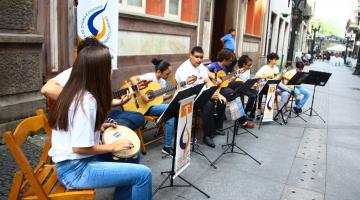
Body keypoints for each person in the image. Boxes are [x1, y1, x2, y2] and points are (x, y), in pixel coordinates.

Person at [48, 45, 152, 200]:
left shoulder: (76, 90)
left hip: (72, 163)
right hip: (75, 170)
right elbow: (80, 147)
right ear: (99, 71)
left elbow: (75, 126)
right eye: (109, 66)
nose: (111, 71)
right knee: (144, 175)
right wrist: (111, 146)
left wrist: (99, 126)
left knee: (131, 156)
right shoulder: (87, 101)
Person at [41, 37, 145, 131]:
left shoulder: (97, 75)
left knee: (138, 117)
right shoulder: (74, 72)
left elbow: (98, 101)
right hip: (82, 123)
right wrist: (84, 102)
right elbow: (47, 89)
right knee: (124, 133)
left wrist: (119, 102)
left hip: (98, 117)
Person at [175, 46, 227, 148]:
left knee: (221, 101)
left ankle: (215, 128)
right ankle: (207, 135)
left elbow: (207, 81)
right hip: (188, 96)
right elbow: (190, 90)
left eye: (201, 57)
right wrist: (209, 94)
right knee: (208, 105)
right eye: (197, 57)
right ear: (191, 55)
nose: (199, 60)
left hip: (201, 93)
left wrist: (217, 93)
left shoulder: (201, 66)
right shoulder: (183, 69)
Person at [129, 59, 175, 156]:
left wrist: (172, 95)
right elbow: (133, 78)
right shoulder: (150, 77)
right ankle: (167, 145)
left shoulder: (162, 82)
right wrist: (142, 95)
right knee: (170, 109)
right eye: (167, 74)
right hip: (143, 107)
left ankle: (167, 146)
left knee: (171, 110)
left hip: (153, 106)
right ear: (159, 71)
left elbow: (161, 98)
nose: (168, 76)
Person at [207, 50, 255, 126]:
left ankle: (241, 114)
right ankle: (242, 121)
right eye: (229, 61)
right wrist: (214, 79)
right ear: (224, 59)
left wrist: (234, 77)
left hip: (223, 86)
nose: (230, 62)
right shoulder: (212, 66)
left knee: (240, 85)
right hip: (215, 89)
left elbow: (226, 82)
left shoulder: (224, 68)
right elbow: (205, 74)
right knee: (235, 94)